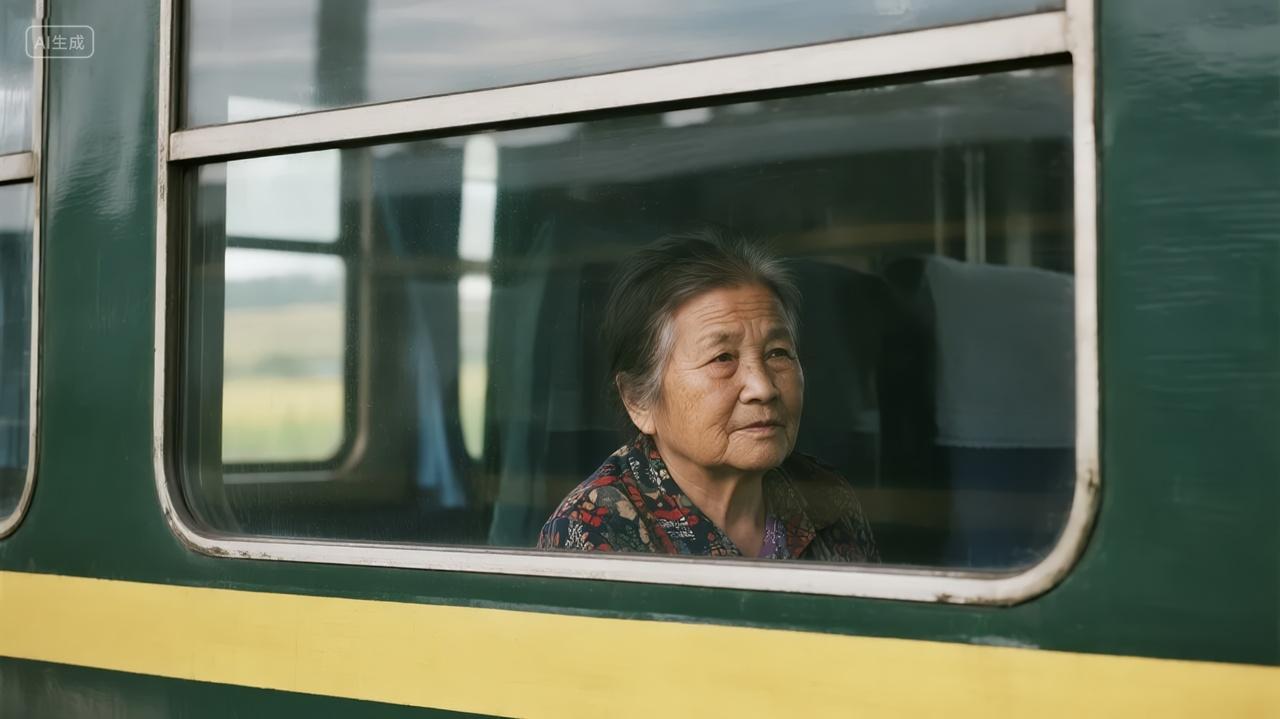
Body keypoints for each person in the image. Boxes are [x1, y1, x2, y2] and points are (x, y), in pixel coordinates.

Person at [537, 231, 878, 562]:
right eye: (722, 358)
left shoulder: (825, 498)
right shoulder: (593, 532)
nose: (763, 388)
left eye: (777, 353)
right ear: (638, 399)